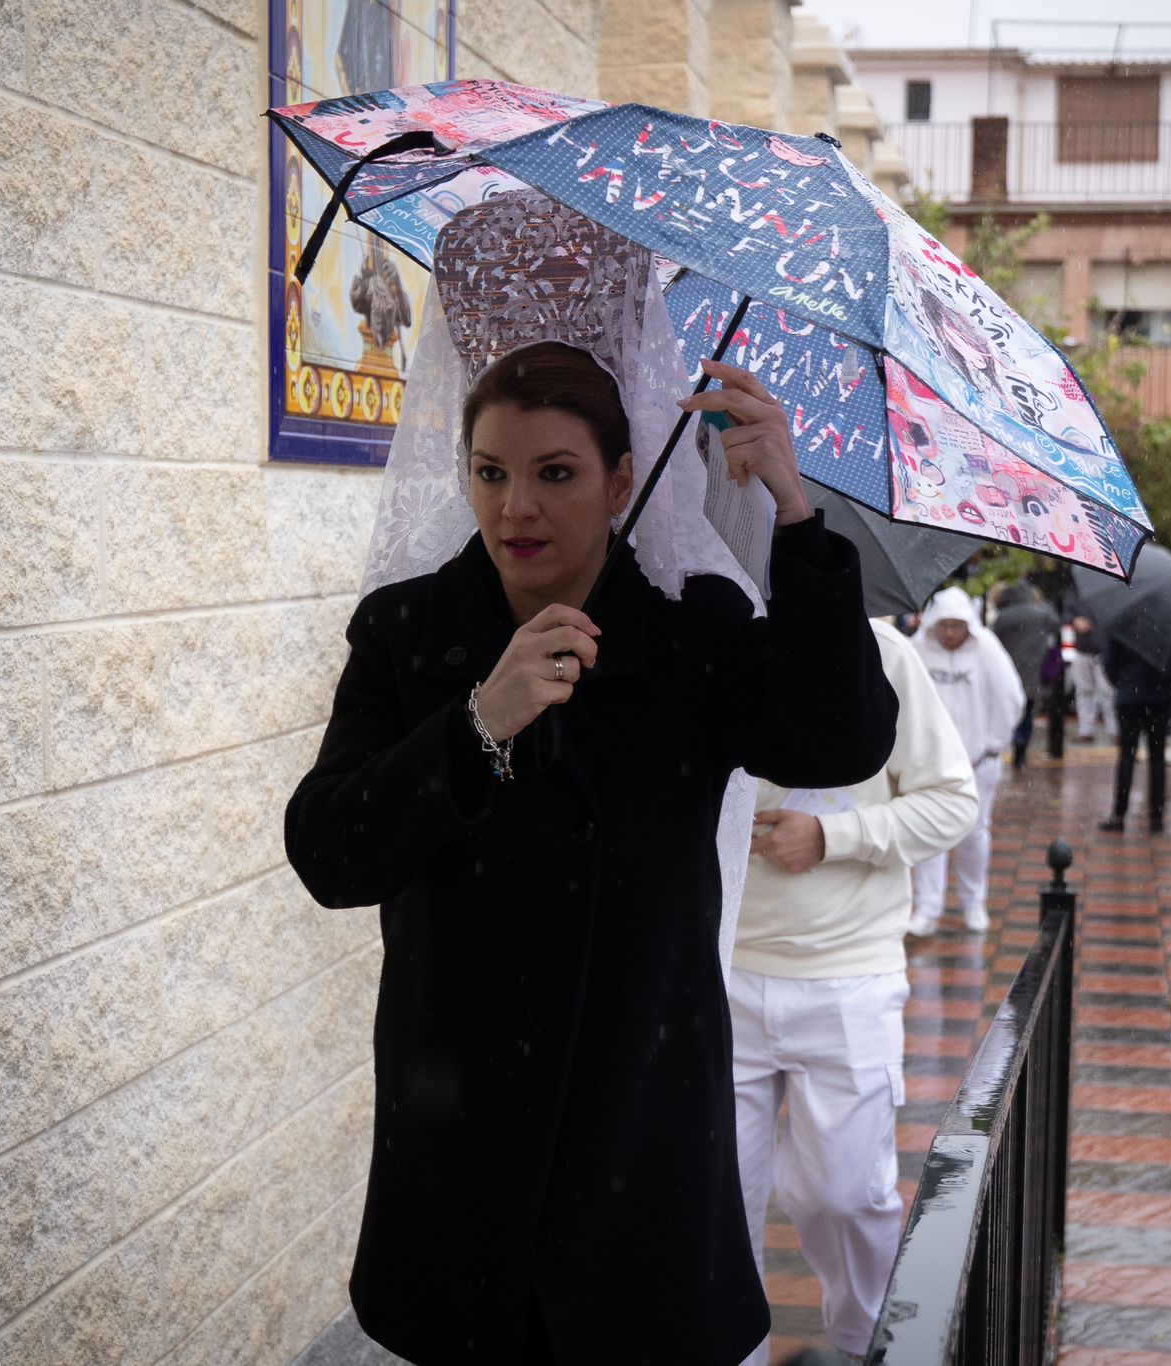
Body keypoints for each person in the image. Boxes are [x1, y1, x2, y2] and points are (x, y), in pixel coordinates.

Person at [285, 195, 899, 1366]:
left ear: (622, 478)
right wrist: (476, 721)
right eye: (490, 470)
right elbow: (327, 850)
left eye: (556, 472)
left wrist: (794, 508)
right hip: (456, 1138)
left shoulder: (694, 627)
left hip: (640, 1134)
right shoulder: (407, 634)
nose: (516, 507)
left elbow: (837, 740)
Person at [730, 619, 978, 1365]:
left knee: (839, 1197)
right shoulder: (707, 641)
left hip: (848, 976)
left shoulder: (883, 653)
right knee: (717, 1203)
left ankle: (867, 1346)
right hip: (719, 974)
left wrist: (832, 837)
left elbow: (950, 802)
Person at [907, 587, 1027, 935]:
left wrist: (994, 744)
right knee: (929, 834)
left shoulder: (986, 648)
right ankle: (927, 908)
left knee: (973, 835)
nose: (949, 633)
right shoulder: (918, 650)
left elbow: (1010, 697)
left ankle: (974, 903)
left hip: (978, 762)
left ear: (969, 626)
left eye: (957, 626)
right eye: (943, 626)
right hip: (929, 764)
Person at [1099, 631, 1171, 834]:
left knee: (1127, 756)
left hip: (1129, 696)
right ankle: (1156, 818)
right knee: (1157, 757)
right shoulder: (1169, 622)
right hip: (1160, 697)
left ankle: (1119, 814)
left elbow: (1109, 661)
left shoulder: (1124, 620)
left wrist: (1123, 682)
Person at [989, 581, 1059, 769]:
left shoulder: (1003, 617)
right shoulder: (1041, 613)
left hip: (1009, 671)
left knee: (1009, 711)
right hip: (1033, 669)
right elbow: (1056, 624)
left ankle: (1010, 745)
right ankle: (1021, 750)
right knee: (1027, 712)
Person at [1068, 611, 1117, 743]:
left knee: (1108, 692)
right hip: (1083, 650)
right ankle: (1086, 730)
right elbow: (1065, 614)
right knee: (1084, 692)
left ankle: (1114, 730)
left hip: (1103, 651)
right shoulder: (1076, 595)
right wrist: (1074, 619)